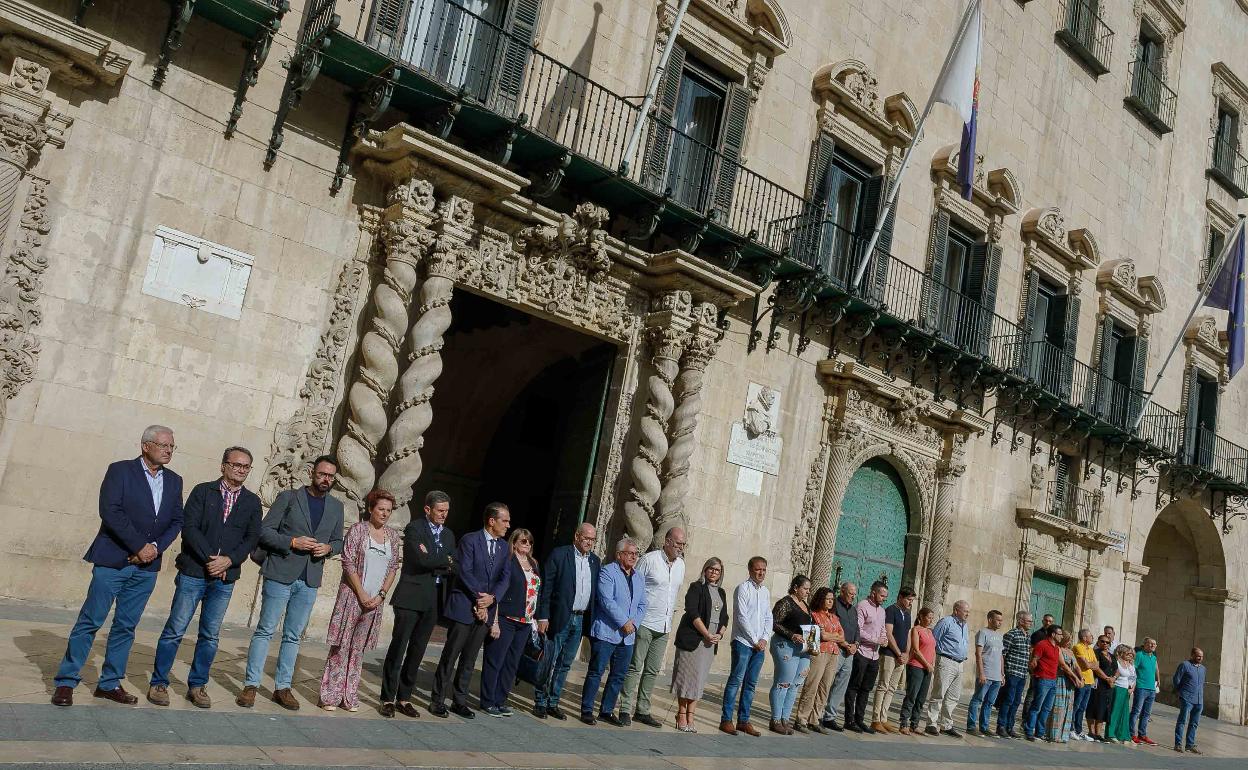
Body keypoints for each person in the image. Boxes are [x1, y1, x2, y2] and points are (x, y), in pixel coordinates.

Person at [52, 426, 185, 708]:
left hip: (146, 568)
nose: (168, 450)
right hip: (113, 560)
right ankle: (66, 681)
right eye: (163, 445)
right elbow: (110, 511)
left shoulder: (174, 481)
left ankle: (110, 683)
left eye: (172, 446)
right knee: (90, 621)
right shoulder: (120, 470)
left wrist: (154, 549)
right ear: (145, 445)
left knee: (126, 626)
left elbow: (176, 521)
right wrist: (139, 546)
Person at [149, 446, 260, 708]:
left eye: (246, 466)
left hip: (225, 578)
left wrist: (229, 561)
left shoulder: (252, 502)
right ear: (223, 466)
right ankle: (158, 683)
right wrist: (212, 560)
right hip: (194, 572)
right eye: (236, 465)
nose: (240, 470)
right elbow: (189, 528)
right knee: (175, 629)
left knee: (210, 634)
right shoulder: (203, 491)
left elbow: (251, 538)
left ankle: (197, 685)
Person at [238, 455, 344, 710]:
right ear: (312, 473)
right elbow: (264, 532)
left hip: (309, 578)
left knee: (293, 636)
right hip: (281, 572)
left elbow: (339, 541)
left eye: (330, 475)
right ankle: (251, 686)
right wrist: (292, 542)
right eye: (322, 474)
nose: (326, 479)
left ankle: (282, 688)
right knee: (265, 629)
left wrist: (328, 548)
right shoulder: (289, 497)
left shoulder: (337, 507)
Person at [317, 489, 401, 711]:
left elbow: (393, 567)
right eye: (381, 509)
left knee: (358, 649)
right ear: (371, 509)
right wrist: (362, 594)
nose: (384, 514)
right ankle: (330, 695)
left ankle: (349, 696)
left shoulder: (392, 537)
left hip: (375, 600)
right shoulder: (358, 530)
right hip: (353, 597)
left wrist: (381, 594)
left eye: (388, 511)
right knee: (341, 646)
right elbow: (348, 563)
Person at [429, 502, 512, 719]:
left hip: (486, 609)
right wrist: (480, 597)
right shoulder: (470, 540)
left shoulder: (504, 547)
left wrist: (492, 598)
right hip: (464, 607)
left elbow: (505, 577)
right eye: (505, 520)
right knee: (451, 655)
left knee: (469, 659)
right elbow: (464, 571)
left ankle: (459, 700)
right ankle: (437, 700)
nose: (508, 525)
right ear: (491, 521)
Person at [379, 490, 455, 718]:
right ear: (427, 509)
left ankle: (404, 697)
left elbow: (456, 564)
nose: (444, 515)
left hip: (433, 600)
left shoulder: (449, 535)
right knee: (399, 647)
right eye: (440, 511)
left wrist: (438, 559)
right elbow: (421, 560)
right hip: (410, 598)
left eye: (447, 511)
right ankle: (387, 698)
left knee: (417, 650)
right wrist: (444, 560)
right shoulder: (415, 529)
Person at [618, 527, 686, 727]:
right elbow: (635, 587)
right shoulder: (650, 559)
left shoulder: (681, 565)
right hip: (645, 622)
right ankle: (624, 708)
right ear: (666, 541)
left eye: (683, 544)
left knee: (652, 670)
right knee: (635, 667)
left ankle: (643, 710)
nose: (680, 548)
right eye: (677, 543)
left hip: (664, 626)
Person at [533, 523, 600, 719]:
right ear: (577, 536)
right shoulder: (560, 555)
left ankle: (553, 702)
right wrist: (543, 615)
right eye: (587, 538)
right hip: (560, 616)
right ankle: (540, 701)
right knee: (550, 660)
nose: (589, 542)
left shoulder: (595, 561)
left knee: (565, 663)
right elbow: (546, 588)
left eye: (593, 539)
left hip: (580, 619)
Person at [581, 537, 646, 725]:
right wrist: (623, 622)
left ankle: (607, 710)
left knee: (618, 675)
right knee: (596, 671)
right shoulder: (607, 572)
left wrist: (634, 624)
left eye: (636, 554)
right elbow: (606, 601)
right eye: (630, 553)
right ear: (619, 555)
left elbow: (643, 604)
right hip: (607, 631)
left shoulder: (639, 576)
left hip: (628, 635)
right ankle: (586, 709)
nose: (634, 557)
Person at [479, 527, 541, 717]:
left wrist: (535, 618)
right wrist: (494, 621)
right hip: (506, 617)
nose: (527, 544)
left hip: (526, 620)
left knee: (512, 663)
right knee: (496, 659)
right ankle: (488, 701)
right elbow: (499, 591)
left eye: (529, 541)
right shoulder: (506, 561)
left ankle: (500, 699)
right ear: (514, 542)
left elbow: (535, 592)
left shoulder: (534, 563)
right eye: (523, 541)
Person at [671, 557, 729, 733]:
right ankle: (681, 714)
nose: (713, 572)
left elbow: (725, 616)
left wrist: (719, 634)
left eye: (717, 570)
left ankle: (691, 715)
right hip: (695, 639)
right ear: (705, 570)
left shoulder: (722, 592)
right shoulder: (696, 587)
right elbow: (692, 612)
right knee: (686, 678)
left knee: (699, 680)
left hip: (710, 643)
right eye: (711, 569)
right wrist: (706, 634)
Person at [720, 556, 771, 737]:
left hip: (759, 646)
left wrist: (764, 638)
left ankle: (743, 720)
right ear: (750, 570)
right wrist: (755, 639)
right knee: (736, 680)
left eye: (764, 569)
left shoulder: (765, 591)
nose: (761, 572)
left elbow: (768, 618)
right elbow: (741, 616)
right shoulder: (743, 588)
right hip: (743, 642)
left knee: (751, 684)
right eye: (758, 569)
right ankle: (726, 719)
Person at [768, 575, 813, 735]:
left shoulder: (805, 605)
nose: (808, 592)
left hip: (803, 649)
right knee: (784, 683)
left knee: (795, 685)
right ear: (796, 587)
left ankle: (785, 719)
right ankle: (775, 719)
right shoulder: (785, 603)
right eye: (805, 588)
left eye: (808, 589)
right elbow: (773, 622)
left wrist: (813, 644)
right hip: (785, 645)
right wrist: (791, 635)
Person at [795, 586, 843, 733]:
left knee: (825, 687)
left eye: (831, 599)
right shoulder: (814, 615)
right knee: (812, 685)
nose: (830, 602)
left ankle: (815, 719)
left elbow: (842, 637)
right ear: (820, 599)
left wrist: (830, 635)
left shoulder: (834, 617)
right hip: (818, 652)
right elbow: (819, 637)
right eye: (827, 599)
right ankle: (801, 718)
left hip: (834, 653)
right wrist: (831, 636)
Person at [845, 581, 889, 734]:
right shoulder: (862, 606)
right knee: (854, 686)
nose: (884, 598)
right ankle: (849, 719)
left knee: (866, 688)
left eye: (885, 596)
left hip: (874, 655)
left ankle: (860, 719)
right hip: (862, 652)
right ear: (873, 593)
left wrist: (884, 639)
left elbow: (883, 629)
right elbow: (859, 630)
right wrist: (875, 639)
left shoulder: (882, 611)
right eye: (882, 595)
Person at [870, 586, 914, 733]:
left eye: (912, 600)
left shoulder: (907, 614)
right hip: (889, 653)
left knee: (892, 688)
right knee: (883, 685)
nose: (910, 602)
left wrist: (907, 652)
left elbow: (908, 634)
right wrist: (898, 652)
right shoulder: (891, 610)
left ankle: (884, 718)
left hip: (901, 657)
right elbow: (888, 633)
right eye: (908, 599)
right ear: (901, 597)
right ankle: (875, 719)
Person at [924, 599, 970, 738]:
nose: (968, 614)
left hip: (959, 663)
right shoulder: (946, 622)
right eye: (965, 611)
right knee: (939, 693)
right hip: (946, 660)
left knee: (953, 696)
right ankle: (931, 723)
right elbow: (934, 640)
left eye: (968, 611)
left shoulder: (964, 625)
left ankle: (946, 724)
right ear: (956, 610)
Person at [818, 581, 859, 732]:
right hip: (836, 649)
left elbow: (857, 628)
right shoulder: (835, 607)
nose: (853, 597)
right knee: (827, 682)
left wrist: (856, 643)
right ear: (842, 591)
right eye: (850, 593)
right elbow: (834, 628)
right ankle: (818, 713)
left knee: (841, 685)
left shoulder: (854, 610)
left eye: (854, 594)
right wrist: (845, 644)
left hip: (850, 652)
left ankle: (830, 716)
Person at [966, 609, 1004, 736]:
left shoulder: (1000, 636)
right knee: (977, 700)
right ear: (990, 619)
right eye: (998, 620)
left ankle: (984, 726)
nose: (1000, 622)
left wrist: (1002, 674)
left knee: (989, 702)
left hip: (997, 676)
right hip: (985, 673)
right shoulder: (983, 632)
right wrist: (981, 673)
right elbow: (978, 653)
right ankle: (971, 726)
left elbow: (1001, 656)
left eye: (1001, 620)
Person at [898, 606, 935, 735]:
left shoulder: (930, 632)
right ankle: (904, 723)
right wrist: (926, 664)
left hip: (928, 668)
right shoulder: (916, 630)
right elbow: (916, 650)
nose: (930, 620)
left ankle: (915, 723)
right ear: (921, 617)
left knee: (921, 698)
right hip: (916, 666)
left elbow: (933, 649)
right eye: (928, 617)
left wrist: (932, 664)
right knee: (912, 695)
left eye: (932, 618)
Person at [996, 610, 1032, 738]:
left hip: (1022, 674)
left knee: (1017, 701)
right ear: (1020, 621)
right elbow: (1003, 654)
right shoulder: (1011, 634)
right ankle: (1001, 726)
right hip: (1012, 672)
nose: (1031, 623)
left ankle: (1010, 727)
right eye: (1028, 621)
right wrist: (1002, 673)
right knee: (1008, 700)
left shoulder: (1028, 636)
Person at [1023, 624, 1061, 741]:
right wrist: (1034, 672)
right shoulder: (1042, 644)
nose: (1062, 636)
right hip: (1043, 679)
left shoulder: (1056, 648)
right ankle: (1029, 731)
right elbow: (1034, 659)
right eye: (1060, 634)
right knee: (1036, 707)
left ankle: (1040, 732)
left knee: (1047, 709)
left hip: (1053, 680)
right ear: (1053, 634)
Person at [1045, 629, 1083, 743]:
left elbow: (1076, 666)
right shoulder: (1058, 649)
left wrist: (1081, 678)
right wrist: (1075, 678)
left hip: (1070, 683)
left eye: (1070, 640)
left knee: (1068, 707)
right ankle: (1054, 734)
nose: (1069, 642)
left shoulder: (1070, 651)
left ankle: (1063, 734)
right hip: (1061, 679)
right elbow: (1063, 666)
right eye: (1067, 639)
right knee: (1058, 707)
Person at [1172, 647, 1206, 754]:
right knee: (1182, 721)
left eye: (1201, 656)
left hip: (1199, 700)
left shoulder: (1203, 669)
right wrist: (1180, 692)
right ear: (1192, 655)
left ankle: (1190, 745)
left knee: (1194, 723)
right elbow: (1176, 679)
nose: (1200, 658)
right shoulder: (1185, 665)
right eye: (1198, 656)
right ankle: (1178, 744)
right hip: (1187, 698)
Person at [1130, 636, 1160, 745]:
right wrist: (1133, 684)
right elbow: (1133, 670)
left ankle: (1142, 735)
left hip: (1151, 688)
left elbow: (1156, 668)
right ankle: (1131, 733)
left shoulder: (1154, 657)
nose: (1152, 645)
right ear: (1145, 645)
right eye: (1150, 643)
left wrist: (1158, 680)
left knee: (1147, 714)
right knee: (1136, 711)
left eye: (1154, 644)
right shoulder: (1139, 655)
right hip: (1141, 687)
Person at [1070, 628, 1098, 741]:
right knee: (1076, 705)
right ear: (1085, 638)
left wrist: (1090, 664)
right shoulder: (1078, 647)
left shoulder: (1090, 649)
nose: (1092, 638)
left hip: (1090, 681)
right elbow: (1085, 665)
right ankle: (1071, 729)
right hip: (1081, 680)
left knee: (1082, 707)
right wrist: (1090, 664)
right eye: (1091, 636)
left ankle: (1079, 730)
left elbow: (1097, 665)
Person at [1106, 644, 1136, 743]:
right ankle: (1110, 734)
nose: (1129, 655)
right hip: (1117, 689)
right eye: (1127, 653)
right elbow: (1114, 675)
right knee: (1115, 712)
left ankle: (1122, 734)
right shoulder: (1117, 663)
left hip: (1126, 690)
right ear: (1121, 653)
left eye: (1130, 654)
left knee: (1124, 713)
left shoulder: (1130, 665)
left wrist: (1131, 689)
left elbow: (1133, 678)